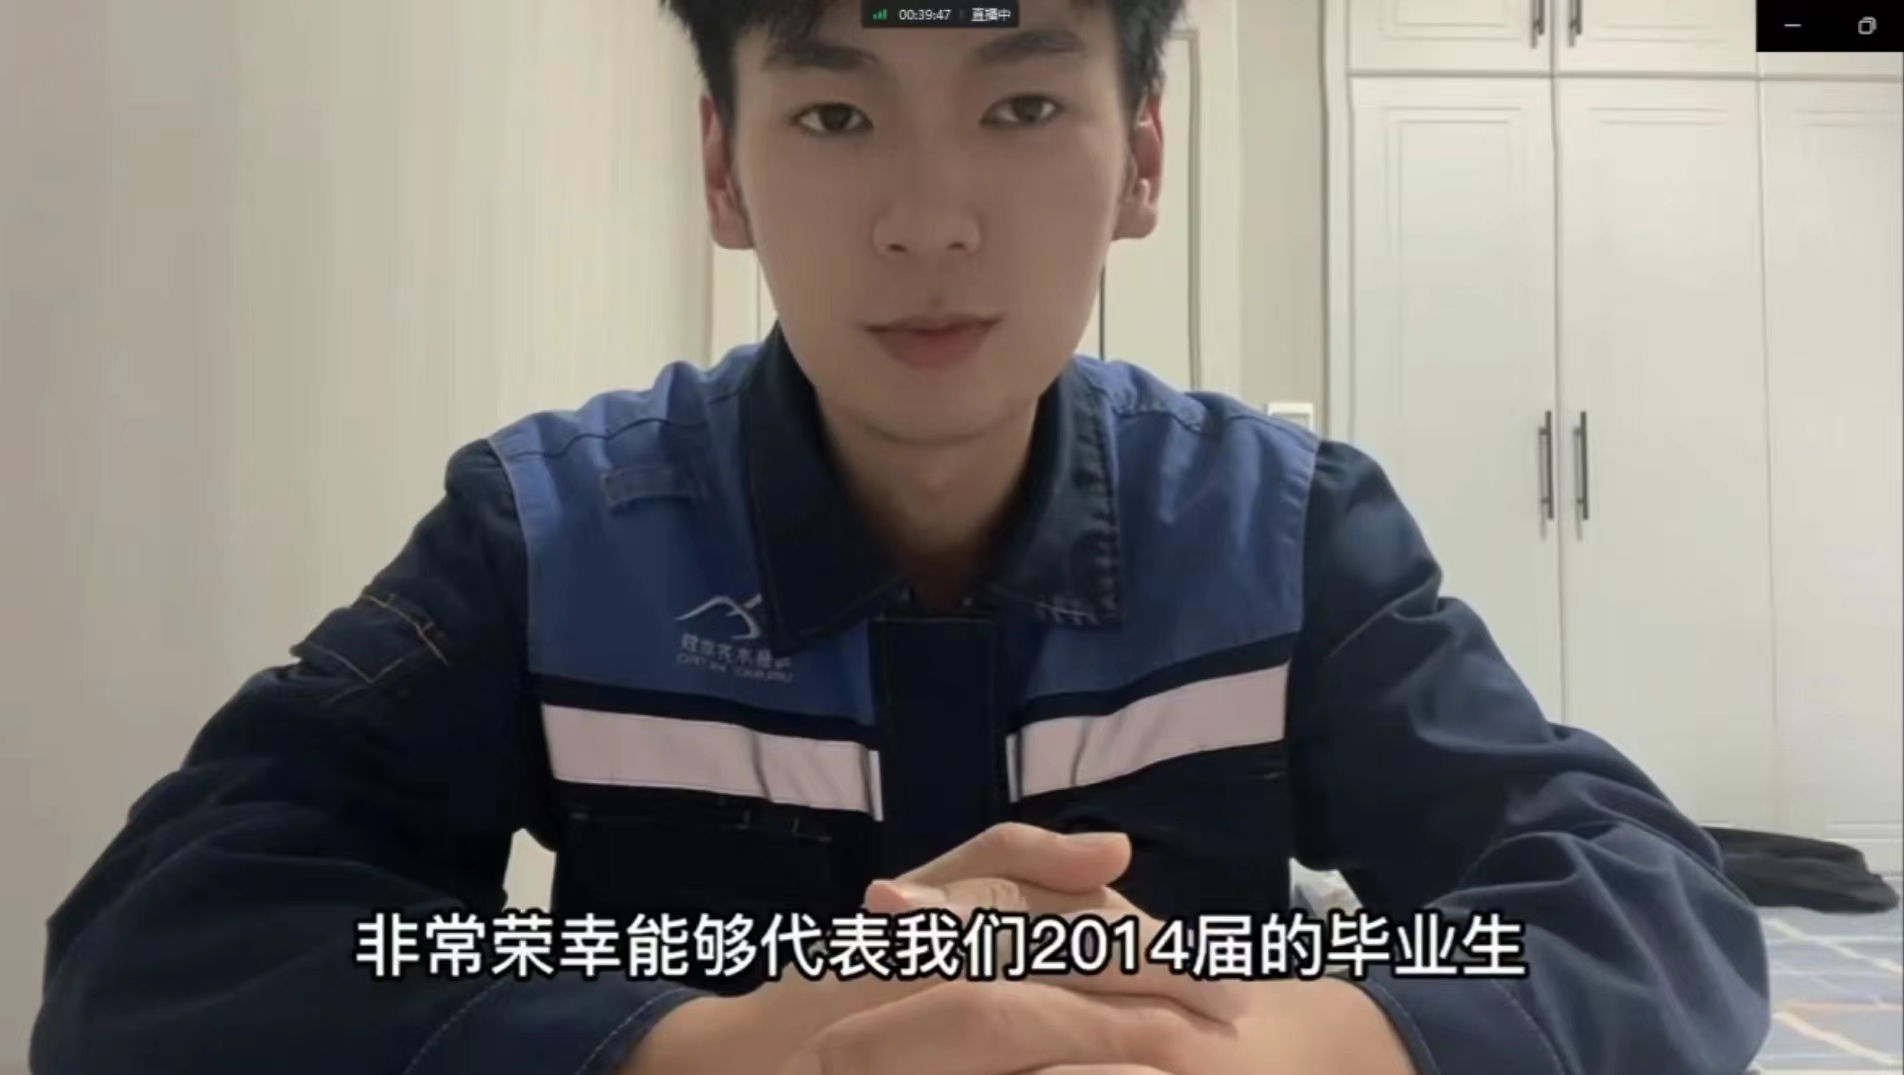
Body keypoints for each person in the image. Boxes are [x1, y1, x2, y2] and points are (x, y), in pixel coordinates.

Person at [32, 1, 1771, 1072]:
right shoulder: (551, 537)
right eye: (836, 115)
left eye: (1019, 108)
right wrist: (709, 1045)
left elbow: (1647, 905)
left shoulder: (1282, 531)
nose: (930, 222)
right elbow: (164, 954)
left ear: (1141, 157)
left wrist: (1280, 1037)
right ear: (723, 168)